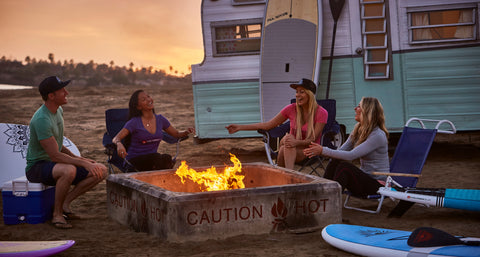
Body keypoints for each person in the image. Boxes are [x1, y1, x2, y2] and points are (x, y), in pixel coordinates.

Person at [26, 76, 108, 229]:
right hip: (37, 167)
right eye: (62, 90)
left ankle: (65, 204)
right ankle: (56, 215)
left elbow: (58, 145)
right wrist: (82, 163)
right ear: (51, 96)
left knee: (101, 170)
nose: (67, 93)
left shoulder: (58, 111)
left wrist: (80, 158)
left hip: (54, 164)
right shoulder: (42, 119)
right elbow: (54, 155)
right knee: (68, 170)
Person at [226, 78, 327, 169]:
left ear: (310, 94)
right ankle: (289, 176)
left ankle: (283, 175)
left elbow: (312, 139)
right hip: (290, 148)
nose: (297, 95)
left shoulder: (321, 113)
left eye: (302, 92)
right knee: (287, 142)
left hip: (309, 151)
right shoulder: (291, 109)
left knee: (285, 145)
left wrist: (296, 142)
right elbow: (268, 125)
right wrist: (239, 127)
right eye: (296, 92)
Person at [303, 97, 389, 197]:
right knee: (336, 161)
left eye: (359, 106)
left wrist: (322, 150)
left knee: (345, 167)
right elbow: (341, 151)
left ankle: (330, 197)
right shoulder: (358, 130)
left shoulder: (377, 135)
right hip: (364, 180)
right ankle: (323, 193)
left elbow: (351, 156)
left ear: (367, 111)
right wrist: (319, 151)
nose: (355, 108)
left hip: (377, 185)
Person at [112, 89, 195, 171]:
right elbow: (116, 138)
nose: (148, 100)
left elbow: (176, 134)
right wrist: (119, 144)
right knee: (158, 158)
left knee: (166, 158)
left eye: (148, 96)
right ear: (138, 106)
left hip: (153, 162)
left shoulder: (160, 119)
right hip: (133, 162)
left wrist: (186, 132)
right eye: (144, 99)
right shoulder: (134, 122)